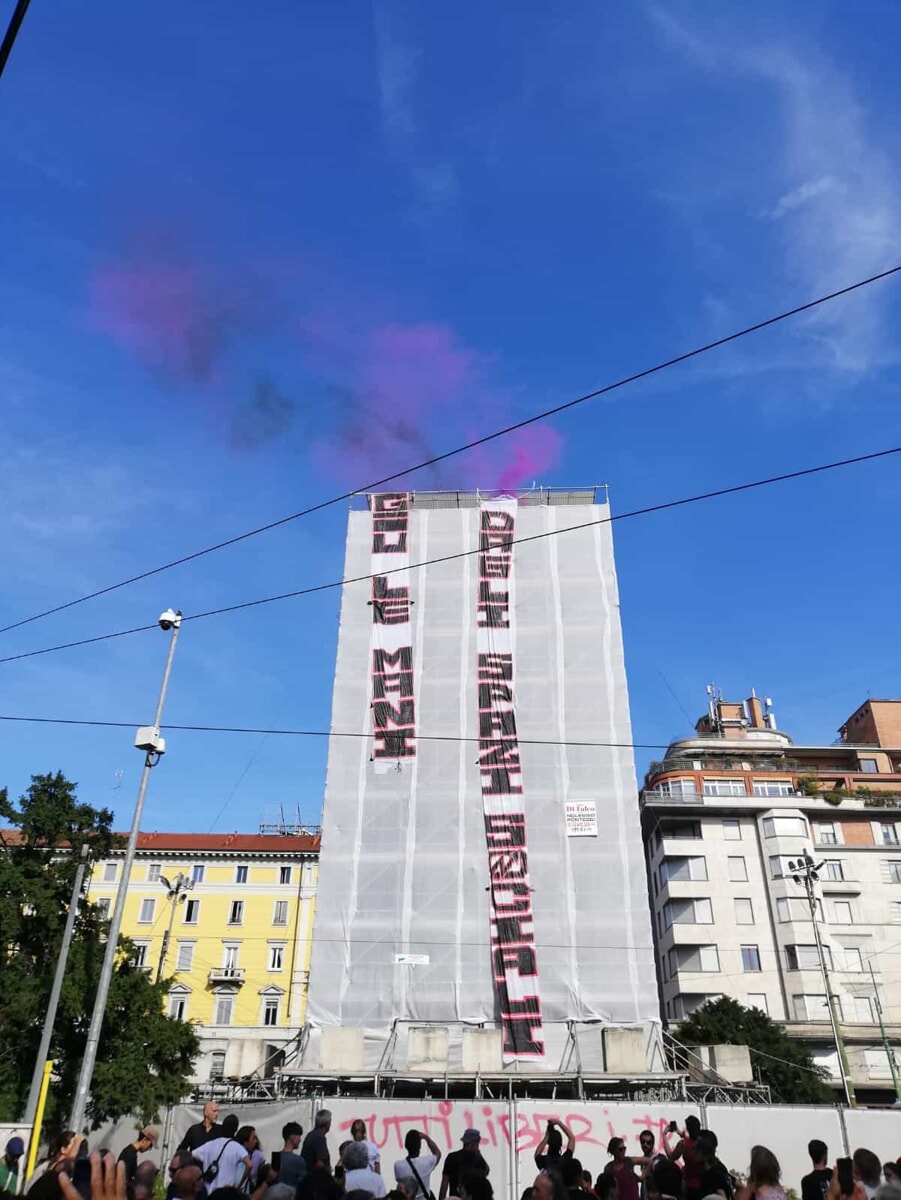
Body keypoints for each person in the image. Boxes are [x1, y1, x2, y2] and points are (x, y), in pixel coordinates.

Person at [193, 1117, 252, 1193]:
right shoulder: (237, 1147)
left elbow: (192, 1155)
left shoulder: (210, 1144)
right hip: (225, 1193)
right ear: (235, 1130)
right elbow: (249, 1165)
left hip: (208, 1194)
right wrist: (239, 1184)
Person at [28, 1131, 82, 1200]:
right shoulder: (57, 1167)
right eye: (73, 1144)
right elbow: (69, 1161)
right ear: (63, 1150)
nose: (77, 1149)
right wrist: (78, 1141)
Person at [440, 1131, 489, 1200]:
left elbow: (444, 1183)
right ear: (474, 1142)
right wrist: (479, 1154)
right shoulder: (479, 1160)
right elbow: (486, 1172)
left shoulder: (452, 1157)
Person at [394, 1131, 441, 1200]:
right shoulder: (426, 1162)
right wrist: (426, 1138)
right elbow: (437, 1153)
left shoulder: (398, 1166)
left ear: (406, 1146)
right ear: (419, 1147)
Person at [664, 1118, 702, 1200]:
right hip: (703, 1184)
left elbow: (671, 1157)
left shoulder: (684, 1143)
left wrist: (664, 1136)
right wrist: (678, 1131)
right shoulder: (703, 1142)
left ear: (688, 1128)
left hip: (689, 1185)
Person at [638, 1133, 668, 1200]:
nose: (645, 1145)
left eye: (648, 1142)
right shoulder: (642, 1160)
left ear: (653, 1143)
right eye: (643, 1142)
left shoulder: (660, 1158)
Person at [277, 1123, 306, 1191]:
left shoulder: (276, 1157)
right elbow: (303, 1185)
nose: (300, 1140)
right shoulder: (299, 1160)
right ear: (292, 1137)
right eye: (299, 1136)